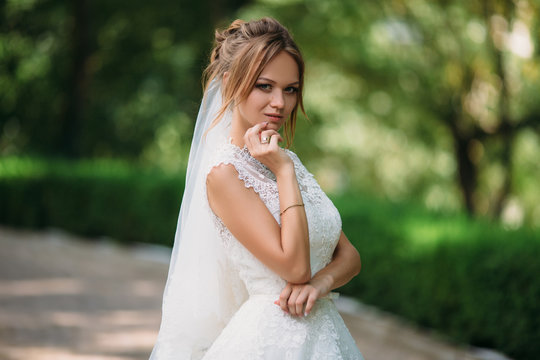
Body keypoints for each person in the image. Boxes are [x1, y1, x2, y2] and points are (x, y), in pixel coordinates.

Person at [150, 17, 364, 360]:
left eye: (290, 89)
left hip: (326, 335)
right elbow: (294, 268)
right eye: (265, 86)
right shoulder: (224, 175)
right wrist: (283, 172)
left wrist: (320, 285)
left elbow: (349, 255)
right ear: (229, 82)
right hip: (268, 342)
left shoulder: (286, 162)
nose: (280, 102)